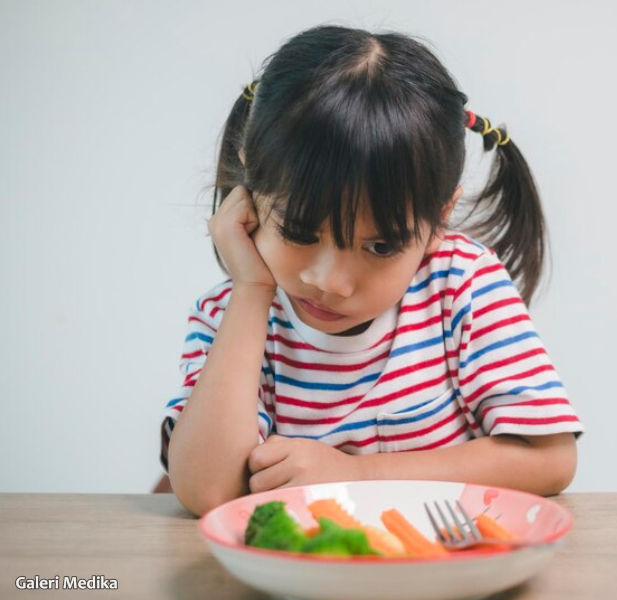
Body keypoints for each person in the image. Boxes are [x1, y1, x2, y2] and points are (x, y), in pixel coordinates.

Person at [161, 24, 584, 517]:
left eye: (380, 246)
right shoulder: (230, 316)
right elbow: (208, 493)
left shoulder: (461, 285)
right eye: (298, 232)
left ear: (439, 217)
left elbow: (550, 458)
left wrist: (355, 475)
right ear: (249, 182)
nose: (329, 281)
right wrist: (252, 290)